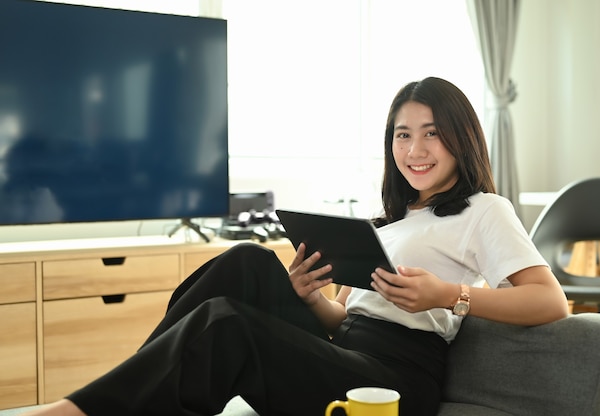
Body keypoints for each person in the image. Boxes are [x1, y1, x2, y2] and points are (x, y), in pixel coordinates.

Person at [24, 77, 569, 416]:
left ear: (461, 137)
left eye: (431, 132)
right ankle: (129, 397)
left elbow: (550, 302)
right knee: (248, 261)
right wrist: (312, 299)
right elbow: (346, 323)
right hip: (348, 349)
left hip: (397, 381)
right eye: (403, 134)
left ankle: (79, 411)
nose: (416, 149)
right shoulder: (393, 222)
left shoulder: (483, 209)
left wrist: (448, 295)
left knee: (228, 324)